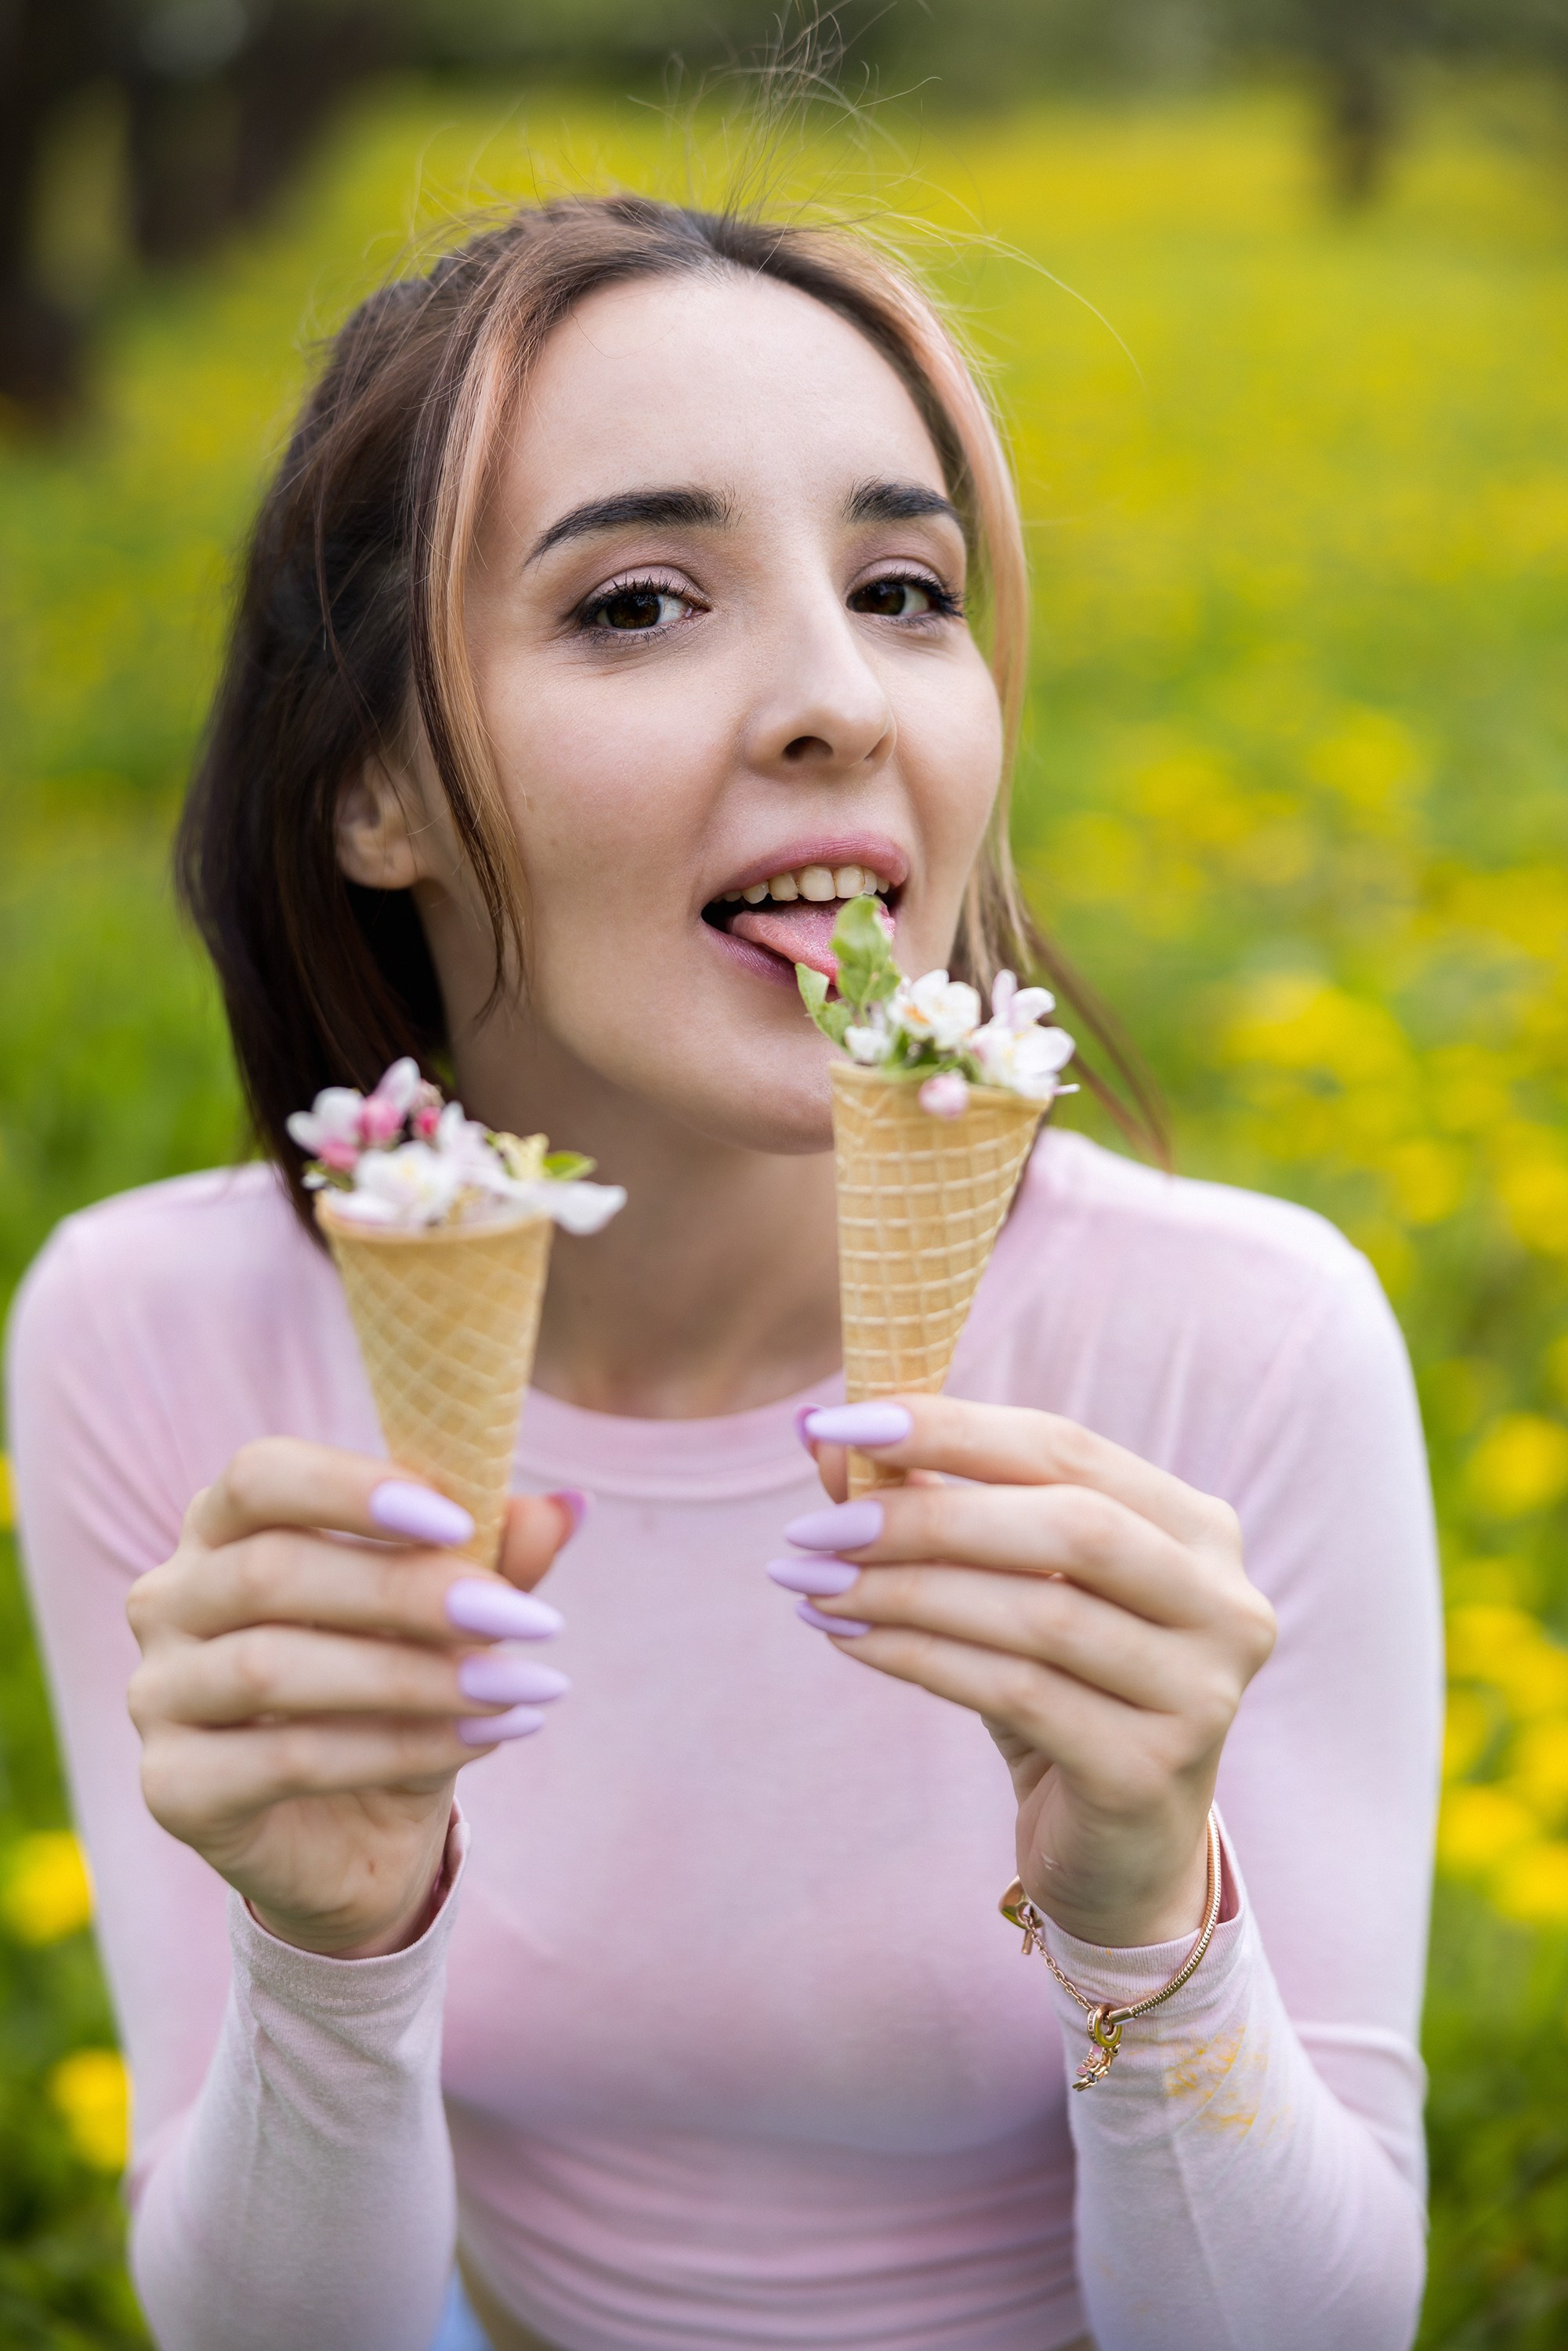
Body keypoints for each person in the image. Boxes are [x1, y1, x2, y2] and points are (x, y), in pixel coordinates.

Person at [5, 190, 1440, 2351]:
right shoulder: (154, 1339)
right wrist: (331, 1957)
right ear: (374, 788)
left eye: (903, 590)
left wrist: (1148, 1916)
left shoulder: (1239, 1340)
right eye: (640, 602)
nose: (842, 702)